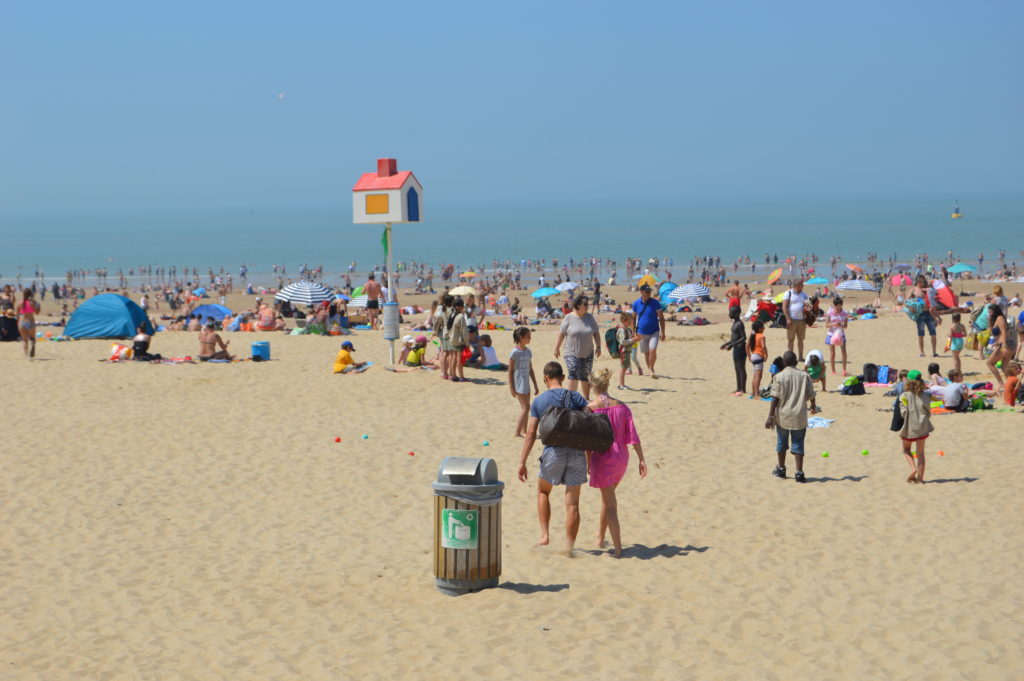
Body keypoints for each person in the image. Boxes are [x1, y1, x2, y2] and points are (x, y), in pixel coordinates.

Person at [517, 362, 590, 556]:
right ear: (563, 377)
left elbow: (531, 433)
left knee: (543, 491)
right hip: (576, 452)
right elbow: (588, 427)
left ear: (545, 378)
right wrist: (589, 458)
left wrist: (522, 462)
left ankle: (544, 535)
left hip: (553, 453)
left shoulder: (540, 401)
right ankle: (569, 546)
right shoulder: (576, 397)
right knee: (573, 503)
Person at [585, 368, 648, 558]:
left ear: (593, 386)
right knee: (608, 496)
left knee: (611, 504)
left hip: (603, 458)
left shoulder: (590, 408)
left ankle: (618, 549)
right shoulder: (622, 406)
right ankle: (600, 537)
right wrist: (641, 459)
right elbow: (633, 436)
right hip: (621, 457)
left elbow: (587, 440)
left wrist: (587, 461)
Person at [765, 351, 817, 483]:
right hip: (799, 415)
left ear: (784, 362)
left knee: (782, 442)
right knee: (798, 443)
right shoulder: (804, 376)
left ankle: (781, 469)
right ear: (796, 362)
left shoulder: (779, 376)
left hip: (783, 415)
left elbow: (775, 397)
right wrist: (813, 406)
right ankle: (799, 473)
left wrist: (770, 416)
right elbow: (811, 394)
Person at [554, 295, 601, 398]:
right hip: (571, 352)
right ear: (578, 305)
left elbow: (596, 333)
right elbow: (561, 333)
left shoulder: (590, 318)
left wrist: (598, 347)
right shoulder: (569, 318)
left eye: (587, 304)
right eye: (585, 304)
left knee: (585, 376)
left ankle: (586, 399)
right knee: (574, 372)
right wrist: (556, 348)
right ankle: (571, 399)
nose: (587, 306)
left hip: (588, 353)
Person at [898, 370, 933, 484]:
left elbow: (903, 413)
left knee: (906, 449)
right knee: (921, 454)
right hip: (922, 425)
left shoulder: (904, 396)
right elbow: (928, 411)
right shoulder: (925, 395)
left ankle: (913, 469)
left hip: (909, 426)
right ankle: (920, 479)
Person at [509, 327, 539, 438]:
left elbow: (531, 369)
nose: (530, 338)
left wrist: (535, 384)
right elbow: (510, 371)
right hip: (518, 382)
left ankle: (524, 431)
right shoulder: (514, 352)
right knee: (525, 408)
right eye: (528, 336)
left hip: (526, 382)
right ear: (521, 338)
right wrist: (511, 387)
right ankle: (517, 432)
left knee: (527, 407)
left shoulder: (528, 351)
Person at [631, 285, 666, 378]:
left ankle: (651, 369)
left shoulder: (655, 303)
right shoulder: (636, 304)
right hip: (641, 333)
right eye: (647, 292)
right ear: (641, 292)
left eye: (649, 292)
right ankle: (650, 369)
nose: (649, 293)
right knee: (646, 353)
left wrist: (663, 332)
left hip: (654, 331)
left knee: (653, 349)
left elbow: (661, 318)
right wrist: (633, 331)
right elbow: (633, 318)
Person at [986, 304, 1016, 390]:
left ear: (994, 311)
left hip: (1004, 346)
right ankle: (1012, 384)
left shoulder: (1000, 318)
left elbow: (1004, 333)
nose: (989, 313)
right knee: (1004, 366)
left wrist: (1003, 345)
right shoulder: (997, 319)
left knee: (989, 363)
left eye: (990, 312)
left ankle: (1001, 383)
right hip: (1004, 345)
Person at [719, 305, 747, 396]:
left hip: (741, 348)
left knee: (741, 368)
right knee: (736, 369)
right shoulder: (735, 323)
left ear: (738, 314)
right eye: (730, 312)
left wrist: (732, 345)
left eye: (732, 312)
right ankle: (738, 388)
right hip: (736, 348)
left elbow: (743, 337)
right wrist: (727, 344)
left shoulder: (739, 324)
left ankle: (743, 389)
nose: (730, 314)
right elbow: (735, 338)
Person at [911, 274, 940, 357]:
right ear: (919, 281)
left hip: (929, 313)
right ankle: (921, 352)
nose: (924, 282)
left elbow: (933, 299)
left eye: (925, 281)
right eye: (923, 281)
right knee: (921, 334)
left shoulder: (927, 289)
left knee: (933, 333)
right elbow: (906, 300)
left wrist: (938, 317)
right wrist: (911, 307)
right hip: (920, 314)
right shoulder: (914, 290)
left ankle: (934, 352)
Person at [783, 279, 809, 359]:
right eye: (802, 284)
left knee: (800, 339)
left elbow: (807, 307)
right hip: (792, 320)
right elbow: (784, 307)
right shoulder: (788, 293)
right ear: (797, 285)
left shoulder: (804, 294)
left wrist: (807, 315)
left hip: (802, 320)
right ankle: (790, 357)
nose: (803, 286)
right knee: (791, 339)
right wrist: (788, 318)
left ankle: (800, 357)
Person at [824, 296, 849, 376]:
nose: (838, 308)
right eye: (837, 307)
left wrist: (841, 325)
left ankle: (844, 370)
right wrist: (834, 324)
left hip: (841, 334)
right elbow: (827, 325)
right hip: (831, 334)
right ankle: (833, 371)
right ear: (834, 305)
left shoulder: (844, 313)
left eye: (840, 306)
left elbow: (845, 326)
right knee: (832, 353)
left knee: (844, 352)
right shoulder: (829, 312)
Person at [446, 298, 469, 382]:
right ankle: (461, 377)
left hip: (451, 338)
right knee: (459, 359)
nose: (463, 308)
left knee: (453, 357)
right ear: (460, 307)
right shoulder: (460, 317)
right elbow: (464, 331)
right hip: (458, 340)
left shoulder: (452, 314)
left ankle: (452, 375)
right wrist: (467, 343)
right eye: (462, 306)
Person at [616, 311, 640, 390]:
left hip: (627, 351)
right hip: (623, 352)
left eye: (631, 321)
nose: (630, 323)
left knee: (625, 367)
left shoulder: (628, 330)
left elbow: (630, 341)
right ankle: (621, 385)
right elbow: (623, 341)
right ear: (623, 321)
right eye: (629, 321)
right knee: (623, 368)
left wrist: (636, 339)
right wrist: (633, 339)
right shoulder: (622, 330)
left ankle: (622, 384)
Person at [17, 289, 40, 359]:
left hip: (22, 322)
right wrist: (35, 307)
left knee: (24, 340)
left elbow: (17, 313)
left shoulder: (20, 302)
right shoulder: (33, 303)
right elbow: (37, 313)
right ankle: (32, 346)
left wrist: (18, 321)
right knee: (32, 338)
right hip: (31, 322)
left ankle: (26, 355)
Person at [748, 320, 767, 399]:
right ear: (759, 329)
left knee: (755, 375)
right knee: (758, 376)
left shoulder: (753, 335)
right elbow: (763, 346)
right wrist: (766, 354)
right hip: (759, 356)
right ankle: (756, 394)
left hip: (753, 355)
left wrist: (749, 356)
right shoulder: (761, 336)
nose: (764, 328)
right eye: (763, 327)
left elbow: (747, 346)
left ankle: (753, 393)